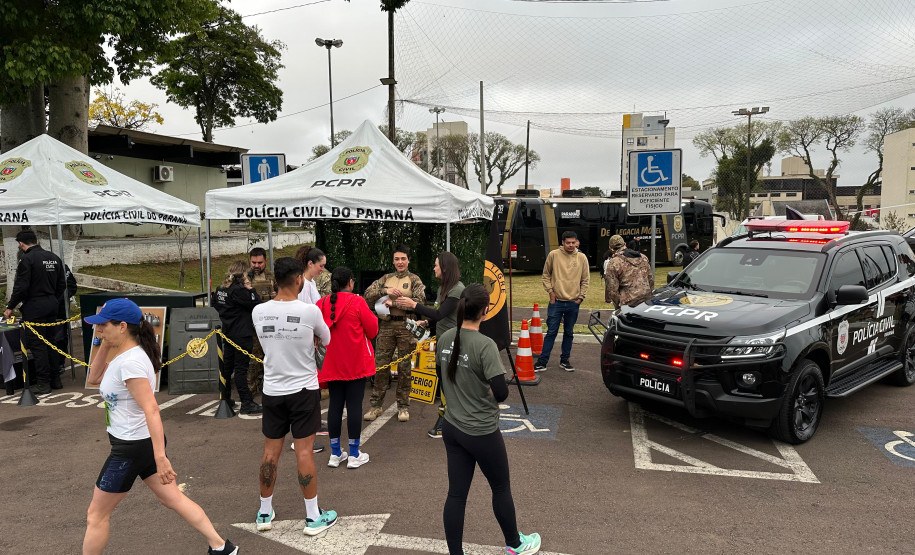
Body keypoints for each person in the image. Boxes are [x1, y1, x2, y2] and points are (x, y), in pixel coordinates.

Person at [82, 298, 238, 555]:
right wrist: (104, 342)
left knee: (96, 515)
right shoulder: (124, 355)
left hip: (130, 449)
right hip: (140, 444)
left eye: (103, 325)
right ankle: (221, 547)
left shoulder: (130, 362)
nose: (98, 329)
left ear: (122, 326)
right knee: (172, 498)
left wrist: (160, 457)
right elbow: (94, 377)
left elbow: (152, 409)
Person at [436, 284, 541, 555]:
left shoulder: (445, 337)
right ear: (485, 310)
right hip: (481, 430)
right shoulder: (485, 345)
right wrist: (487, 390)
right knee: (501, 488)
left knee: (456, 494)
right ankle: (515, 544)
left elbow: (442, 376)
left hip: (452, 426)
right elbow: (502, 392)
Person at [251, 257, 337, 535]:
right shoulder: (310, 311)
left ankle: (265, 512)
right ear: (299, 279)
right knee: (304, 452)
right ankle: (312, 516)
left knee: (270, 452)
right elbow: (327, 340)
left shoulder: (258, 311)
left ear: (276, 279)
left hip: (273, 390)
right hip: (303, 390)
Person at [395, 251, 464, 438]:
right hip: (442, 342)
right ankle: (450, 420)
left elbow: (440, 314)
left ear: (445, 268)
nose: (434, 268)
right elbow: (440, 316)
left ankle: (446, 423)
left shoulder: (457, 290)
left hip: (452, 345)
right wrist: (426, 323)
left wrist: (413, 305)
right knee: (444, 383)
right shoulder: (444, 288)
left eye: (436, 265)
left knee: (448, 385)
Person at [316, 266, 378, 469]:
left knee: (335, 405)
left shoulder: (321, 303)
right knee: (354, 406)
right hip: (355, 363)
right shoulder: (358, 302)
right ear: (350, 282)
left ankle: (335, 453)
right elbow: (373, 329)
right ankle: (354, 453)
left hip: (331, 362)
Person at [363, 244, 426, 423]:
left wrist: (394, 302)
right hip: (386, 326)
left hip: (406, 326)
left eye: (403, 259)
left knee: (404, 368)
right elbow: (368, 295)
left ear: (408, 260)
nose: (400, 262)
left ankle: (403, 406)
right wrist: (385, 291)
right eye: (397, 259)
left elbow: (420, 302)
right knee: (381, 366)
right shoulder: (386, 279)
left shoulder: (414, 279)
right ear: (393, 261)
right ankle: (376, 405)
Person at [3, 229, 67, 394]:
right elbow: (62, 284)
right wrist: (52, 299)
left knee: (38, 345)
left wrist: (10, 307)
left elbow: (21, 287)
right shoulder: (54, 257)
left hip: (34, 306)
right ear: (36, 241)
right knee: (51, 342)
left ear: (21, 244)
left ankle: (43, 383)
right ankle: (55, 379)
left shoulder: (27, 259)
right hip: (52, 304)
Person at [211, 261, 262, 415]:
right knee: (240, 369)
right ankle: (246, 402)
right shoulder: (239, 290)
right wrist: (251, 289)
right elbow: (257, 303)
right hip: (242, 333)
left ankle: (225, 397)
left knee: (227, 367)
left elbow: (215, 304)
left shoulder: (220, 289)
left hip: (228, 332)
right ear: (242, 274)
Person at [534, 231, 589, 373]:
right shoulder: (553, 255)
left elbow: (585, 280)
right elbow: (546, 275)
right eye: (568, 242)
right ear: (563, 242)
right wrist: (551, 292)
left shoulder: (582, 257)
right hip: (556, 302)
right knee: (551, 332)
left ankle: (565, 360)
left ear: (576, 242)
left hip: (573, 302)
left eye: (573, 242)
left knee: (569, 333)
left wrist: (580, 298)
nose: (570, 245)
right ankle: (542, 362)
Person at [294, 245, 328, 453]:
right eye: (321, 266)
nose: (323, 269)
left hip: (312, 342)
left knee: (312, 388)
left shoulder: (311, 282)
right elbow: (303, 314)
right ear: (310, 263)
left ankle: (312, 425)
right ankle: (300, 437)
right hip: (304, 343)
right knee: (304, 390)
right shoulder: (303, 285)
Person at [247, 248, 276, 396]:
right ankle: (251, 389)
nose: (257, 266)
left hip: (270, 325)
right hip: (251, 326)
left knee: (270, 357)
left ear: (265, 261)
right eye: (254, 262)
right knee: (253, 359)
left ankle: (268, 388)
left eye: (260, 262)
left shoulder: (272, 278)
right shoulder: (244, 278)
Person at [605, 234, 655, 309]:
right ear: (624, 244)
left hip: (628, 305)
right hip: (646, 302)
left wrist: (620, 304)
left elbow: (612, 290)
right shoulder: (643, 258)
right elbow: (650, 280)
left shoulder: (614, 263)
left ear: (610, 248)